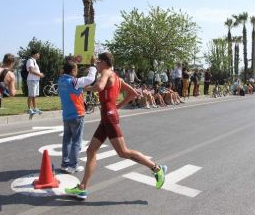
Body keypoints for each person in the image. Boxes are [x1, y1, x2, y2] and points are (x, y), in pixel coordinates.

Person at [65, 52, 167, 199]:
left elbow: (99, 87)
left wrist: (82, 87)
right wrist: (117, 106)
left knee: (123, 152)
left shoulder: (106, 72)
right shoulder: (116, 77)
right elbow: (133, 93)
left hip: (109, 117)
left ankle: (157, 168)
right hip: (107, 116)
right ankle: (82, 188)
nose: (97, 65)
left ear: (104, 63)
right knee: (91, 150)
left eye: (98, 62)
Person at [58, 59, 97, 174]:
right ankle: (73, 166)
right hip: (77, 114)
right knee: (76, 141)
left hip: (66, 114)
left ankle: (65, 164)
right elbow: (91, 79)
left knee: (67, 140)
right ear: (73, 70)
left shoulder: (61, 80)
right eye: (76, 69)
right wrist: (93, 65)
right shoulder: (74, 82)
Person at [26, 49, 44, 115]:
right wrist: (40, 74)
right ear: (34, 54)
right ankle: (29, 109)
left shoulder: (34, 61)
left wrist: (39, 75)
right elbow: (31, 70)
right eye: (38, 54)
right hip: (32, 80)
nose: (39, 55)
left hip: (35, 80)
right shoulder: (30, 60)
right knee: (31, 95)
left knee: (34, 95)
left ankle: (34, 108)